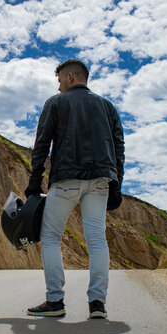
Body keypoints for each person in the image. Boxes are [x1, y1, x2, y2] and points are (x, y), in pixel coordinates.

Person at [25, 59, 124, 319]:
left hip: (66, 179)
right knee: (97, 240)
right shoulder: (107, 106)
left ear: (70, 77)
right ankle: (98, 305)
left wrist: (34, 183)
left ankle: (55, 301)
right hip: (101, 180)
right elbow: (118, 147)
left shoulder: (56, 103)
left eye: (59, 81)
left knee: (50, 237)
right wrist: (117, 185)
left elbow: (42, 144)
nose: (58, 87)